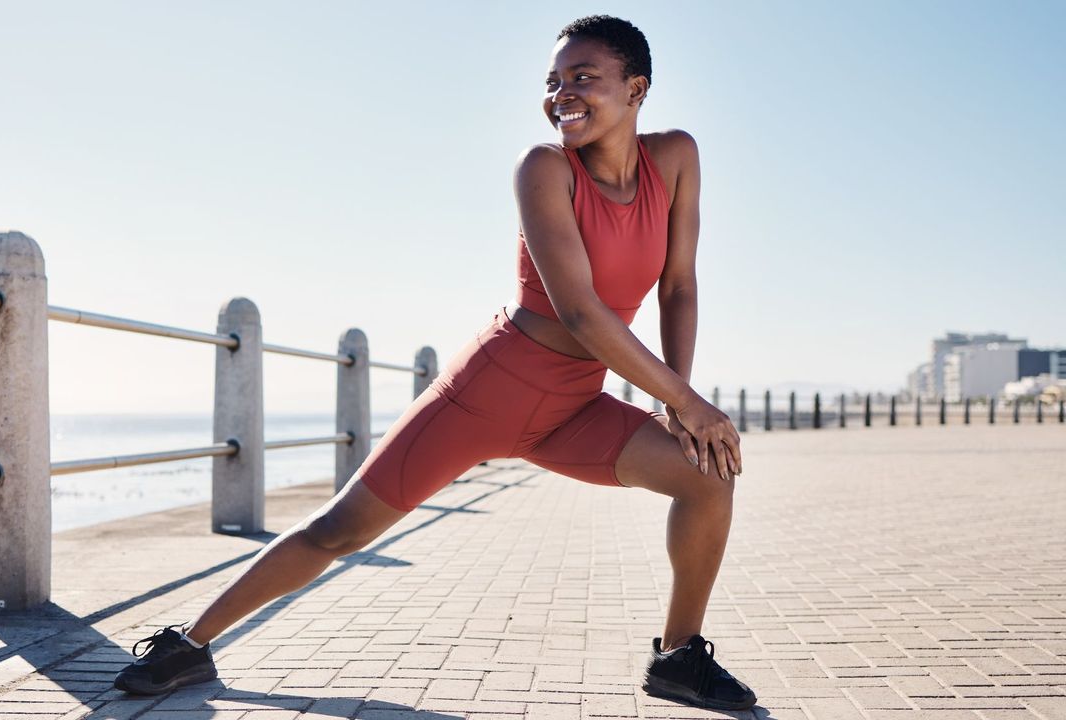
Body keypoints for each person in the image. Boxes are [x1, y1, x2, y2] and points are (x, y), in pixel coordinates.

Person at [114, 14, 755, 712]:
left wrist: (676, 399)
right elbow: (579, 311)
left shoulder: (677, 158)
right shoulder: (543, 168)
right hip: (490, 391)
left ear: (637, 88)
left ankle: (678, 655)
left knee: (706, 475)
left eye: (583, 79)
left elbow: (680, 285)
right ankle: (190, 642)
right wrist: (687, 404)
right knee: (340, 530)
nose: (562, 94)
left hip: (575, 406)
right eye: (553, 82)